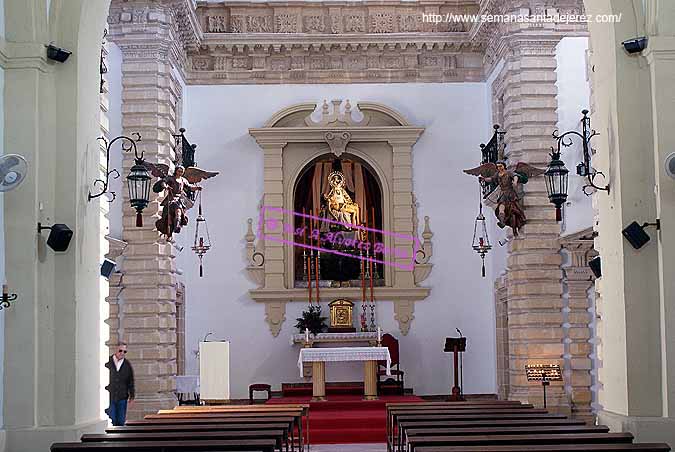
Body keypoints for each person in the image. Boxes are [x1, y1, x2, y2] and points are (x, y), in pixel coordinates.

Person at [105, 343, 135, 426]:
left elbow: (130, 381)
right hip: (109, 396)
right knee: (111, 419)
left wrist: (132, 396)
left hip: (122, 397)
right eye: (120, 351)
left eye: (124, 352)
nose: (122, 353)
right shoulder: (108, 362)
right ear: (115, 350)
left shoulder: (127, 364)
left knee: (121, 420)